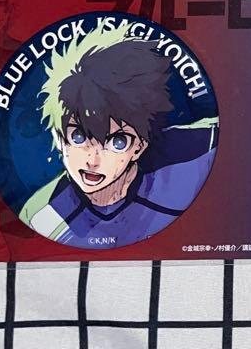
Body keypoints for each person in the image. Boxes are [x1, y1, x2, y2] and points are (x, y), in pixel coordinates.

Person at [20, 26, 217, 248]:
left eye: (117, 142)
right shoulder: (45, 216)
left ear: (139, 146)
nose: (93, 161)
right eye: (78, 137)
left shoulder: (197, 155)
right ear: (58, 138)